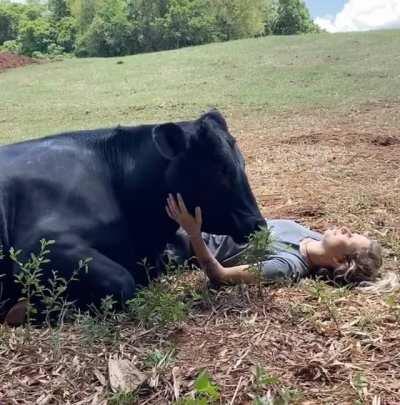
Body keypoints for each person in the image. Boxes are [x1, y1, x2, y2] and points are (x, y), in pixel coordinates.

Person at [165, 194, 390, 288]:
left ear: (339, 260)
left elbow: (220, 275)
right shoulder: (312, 237)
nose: (345, 228)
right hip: (204, 220)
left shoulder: (287, 266)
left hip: (184, 242)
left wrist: (193, 231)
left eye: (348, 237)